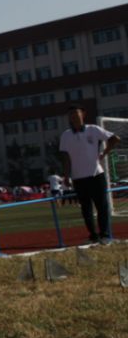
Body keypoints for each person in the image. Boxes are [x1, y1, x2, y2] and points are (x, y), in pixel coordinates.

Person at [59, 105, 120, 245]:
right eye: (71, 114)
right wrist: (66, 176)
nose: (73, 116)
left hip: (96, 174)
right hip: (78, 177)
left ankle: (104, 235)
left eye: (76, 113)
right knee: (86, 208)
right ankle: (93, 235)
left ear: (83, 114)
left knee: (102, 206)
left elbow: (115, 138)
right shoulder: (66, 135)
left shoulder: (94, 129)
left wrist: (104, 153)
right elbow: (66, 157)